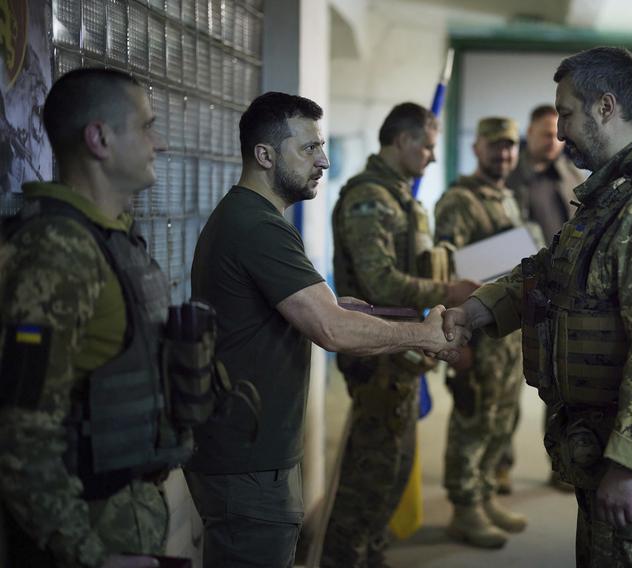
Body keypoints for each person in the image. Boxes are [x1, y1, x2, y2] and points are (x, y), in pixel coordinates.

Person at [443, 46, 632, 566]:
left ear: (605, 107)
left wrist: (629, 465)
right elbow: (549, 272)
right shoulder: (614, 196)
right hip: (600, 439)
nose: (559, 131)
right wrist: (475, 312)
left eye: (566, 113)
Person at [184, 93, 466, 568]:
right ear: (265, 155)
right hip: (249, 458)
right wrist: (425, 336)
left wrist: (336, 308)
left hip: (253, 449)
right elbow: (332, 330)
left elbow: (315, 309)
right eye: (310, 148)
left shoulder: (255, 219)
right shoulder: (257, 227)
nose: (324, 160)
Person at [0, 68, 175, 568]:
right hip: (85, 536)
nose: (158, 143)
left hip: (125, 517)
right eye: (146, 126)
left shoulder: (110, 238)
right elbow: (21, 433)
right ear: (98, 138)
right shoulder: (57, 250)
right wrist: (89, 556)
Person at [324, 102, 479, 568]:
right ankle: (343, 558)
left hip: (404, 350)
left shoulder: (401, 197)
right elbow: (379, 283)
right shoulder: (368, 199)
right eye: (428, 146)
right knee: (369, 475)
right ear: (404, 141)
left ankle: (370, 552)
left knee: (392, 469)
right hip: (377, 353)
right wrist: (448, 290)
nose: (432, 156)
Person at [435, 117, 528, 549]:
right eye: (495, 147)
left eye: (509, 147)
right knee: (473, 418)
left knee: (501, 419)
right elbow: (448, 271)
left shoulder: (507, 197)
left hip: (506, 332)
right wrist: (459, 341)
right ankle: (465, 507)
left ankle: (486, 491)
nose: (503, 155)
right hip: (476, 329)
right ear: (477, 148)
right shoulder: (459, 200)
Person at [501, 104, 586, 494]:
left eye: (556, 133)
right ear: (528, 135)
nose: (550, 140)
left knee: (560, 387)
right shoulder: (507, 179)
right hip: (516, 293)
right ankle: (499, 466)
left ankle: (560, 464)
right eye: (542, 133)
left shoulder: (572, 176)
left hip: (564, 299)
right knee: (504, 391)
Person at [506, 104, 586, 244]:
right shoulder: (509, 175)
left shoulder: (573, 175)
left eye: (558, 137)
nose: (554, 142)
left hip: (566, 261)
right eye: (547, 135)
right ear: (530, 132)